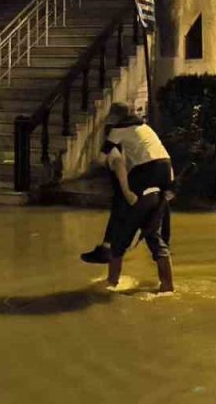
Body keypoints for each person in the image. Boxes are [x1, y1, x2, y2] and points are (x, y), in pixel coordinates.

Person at [79, 102, 175, 293]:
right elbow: (160, 157)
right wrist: (170, 189)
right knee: (154, 234)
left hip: (143, 181)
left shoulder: (117, 133)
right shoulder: (144, 128)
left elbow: (107, 160)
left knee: (121, 234)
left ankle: (111, 282)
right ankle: (167, 287)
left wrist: (127, 192)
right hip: (164, 176)